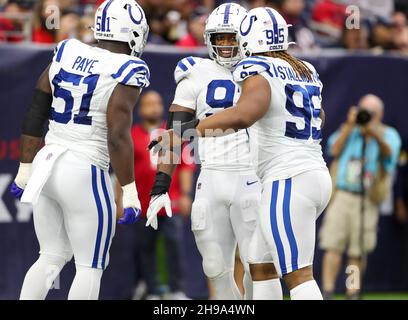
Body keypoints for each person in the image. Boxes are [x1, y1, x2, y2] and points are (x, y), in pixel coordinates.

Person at [149, 7, 330, 300]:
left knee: (297, 274)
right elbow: (318, 116)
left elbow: (243, 115)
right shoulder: (303, 69)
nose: (228, 45)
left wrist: (187, 130)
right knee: (260, 266)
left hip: (282, 176)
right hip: (304, 171)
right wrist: (161, 185)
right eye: (220, 38)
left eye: (234, 37)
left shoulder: (256, 69)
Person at [9, 0, 149, 300]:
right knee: (90, 266)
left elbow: (37, 107)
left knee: (50, 256)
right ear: (135, 34)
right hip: (84, 168)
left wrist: (24, 168)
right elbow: (117, 136)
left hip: (47, 163)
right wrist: (131, 190)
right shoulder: (128, 67)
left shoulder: (69, 50)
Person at [319, 95, 401, 300]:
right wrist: (349, 125)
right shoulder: (350, 130)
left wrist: (374, 134)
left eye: (371, 112)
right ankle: (328, 291)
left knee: (357, 250)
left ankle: (352, 292)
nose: (367, 115)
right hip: (343, 195)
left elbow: (390, 156)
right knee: (332, 245)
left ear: (380, 114)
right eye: (363, 110)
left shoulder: (388, 134)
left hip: (367, 198)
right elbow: (333, 149)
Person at [115, 90, 195, 300]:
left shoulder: (173, 134)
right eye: (148, 104)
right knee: (145, 248)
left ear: (162, 107)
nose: (153, 108)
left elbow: (185, 165)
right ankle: (152, 290)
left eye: (156, 103)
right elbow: (122, 170)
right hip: (142, 202)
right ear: (140, 109)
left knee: (174, 245)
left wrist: (186, 194)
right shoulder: (131, 135)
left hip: (171, 200)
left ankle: (177, 289)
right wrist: (120, 199)